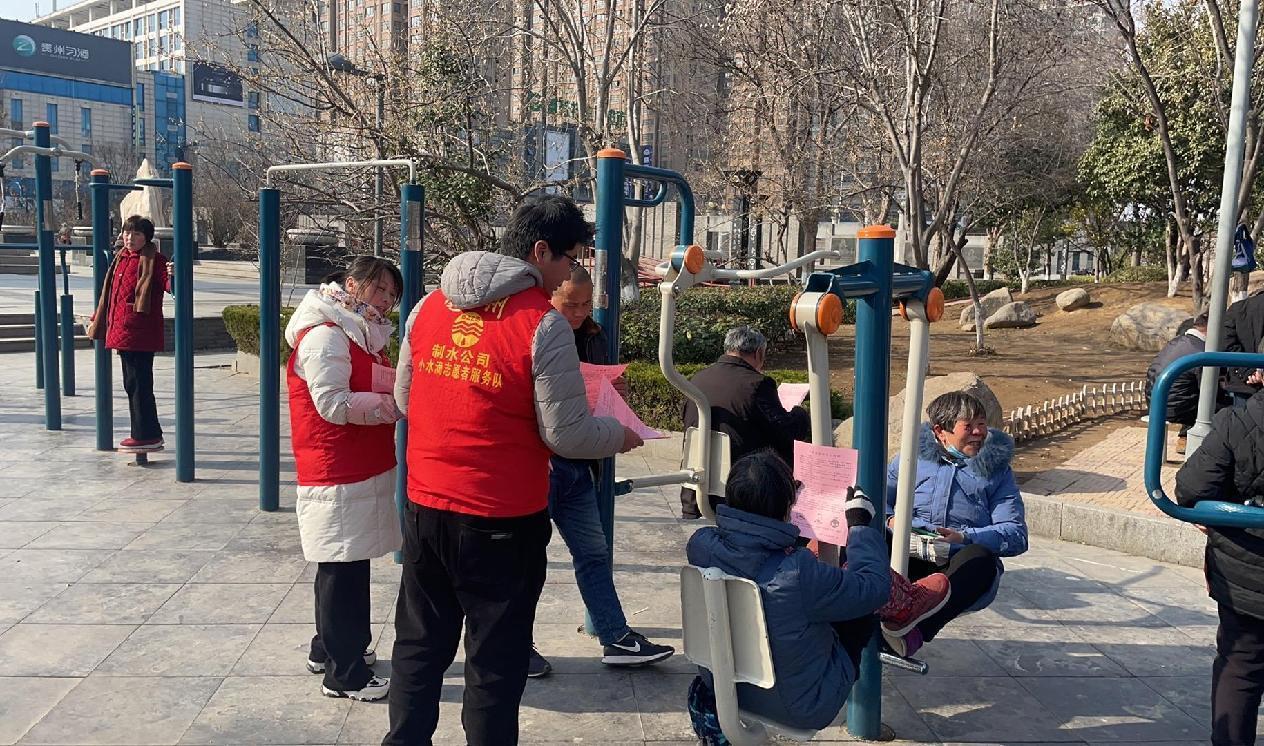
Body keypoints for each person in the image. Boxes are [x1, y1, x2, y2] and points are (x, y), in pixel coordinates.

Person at [386, 195, 645, 746]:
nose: (570, 273)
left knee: (418, 646)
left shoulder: (428, 307)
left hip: (426, 508)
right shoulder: (542, 324)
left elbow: (405, 400)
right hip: (501, 520)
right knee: (494, 663)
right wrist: (619, 434)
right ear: (540, 251)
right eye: (569, 259)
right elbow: (566, 435)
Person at [684, 450, 950, 742]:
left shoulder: (700, 545)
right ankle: (905, 608)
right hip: (802, 705)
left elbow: (752, 553)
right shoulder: (798, 573)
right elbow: (875, 588)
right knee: (855, 602)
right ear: (787, 506)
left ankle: (902, 606)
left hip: (725, 688)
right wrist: (860, 526)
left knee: (812, 597)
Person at [527, 264, 674, 677]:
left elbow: (597, 394)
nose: (578, 313)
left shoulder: (594, 336)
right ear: (550, 298)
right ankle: (518, 642)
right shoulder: (535, 332)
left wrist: (614, 390)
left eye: (585, 304)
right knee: (527, 560)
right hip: (541, 462)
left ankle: (615, 636)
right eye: (569, 304)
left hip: (580, 462)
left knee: (593, 553)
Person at [285, 257, 403, 702]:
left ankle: (331, 647)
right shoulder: (327, 334)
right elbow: (333, 403)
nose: (385, 300)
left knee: (345, 563)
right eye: (379, 289)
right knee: (341, 569)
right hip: (335, 466)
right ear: (351, 284)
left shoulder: (359, 332)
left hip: (357, 463)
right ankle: (345, 673)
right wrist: (394, 406)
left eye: (391, 294)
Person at [882, 391, 1028, 657]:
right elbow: (879, 499)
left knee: (981, 559)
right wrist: (892, 521)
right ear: (941, 431)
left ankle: (912, 633)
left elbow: (1015, 533)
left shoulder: (996, 472)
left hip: (955, 564)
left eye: (981, 424)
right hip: (908, 551)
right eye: (968, 426)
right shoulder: (910, 459)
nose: (978, 432)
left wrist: (964, 537)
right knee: (867, 538)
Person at [1175, 388, 1264, 746]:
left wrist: (1212, 513)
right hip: (1247, 573)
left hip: (1246, 570)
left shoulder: (1237, 421)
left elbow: (1192, 489)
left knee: (1241, 666)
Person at [679, 326, 811, 518]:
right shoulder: (757, 384)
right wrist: (799, 413)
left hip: (698, 488)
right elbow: (786, 432)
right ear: (759, 353)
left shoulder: (698, 379)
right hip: (743, 491)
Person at [86, 215, 169, 452]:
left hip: (140, 332)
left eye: (136, 234)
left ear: (147, 238)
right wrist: (98, 317)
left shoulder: (155, 260)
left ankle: (145, 435)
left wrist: (174, 275)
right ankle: (148, 433)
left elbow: (169, 285)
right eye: (127, 232)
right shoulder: (121, 258)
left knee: (139, 384)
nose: (130, 238)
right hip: (123, 330)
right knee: (132, 383)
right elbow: (112, 295)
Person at [1146, 313, 1224, 454]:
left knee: (1190, 390)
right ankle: (1209, 446)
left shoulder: (1176, 342)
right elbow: (1210, 390)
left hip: (1154, 400)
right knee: (1220, 405)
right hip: (1176, 408)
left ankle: (1184, 437)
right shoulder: (1201, 351)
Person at [1223, 291, 1264, 406]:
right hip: (1246, 383)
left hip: (1243, 384)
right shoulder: (1238, 309)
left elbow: (1226, 345)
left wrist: (1249, 372)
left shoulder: (1237, 309)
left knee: (1243, 416)